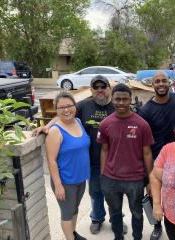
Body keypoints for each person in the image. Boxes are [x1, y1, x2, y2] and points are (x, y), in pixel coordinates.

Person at [34, 75, 128, 235]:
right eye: (96, 87)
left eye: (103, 87)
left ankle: (116, 219)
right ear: (91, 90)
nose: (99, 90)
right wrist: (47, 125)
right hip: (92, 162)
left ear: (108, 89)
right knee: (95, 193)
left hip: (113, 162)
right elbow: (63, 112)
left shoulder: (117, 107)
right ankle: (97, 219)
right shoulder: (83, 106)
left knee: (114, 194)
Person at [138, 70, 175, 240]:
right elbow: (143, 142)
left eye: (164, 81)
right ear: (152, 85)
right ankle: (157, 226)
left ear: (169, 83)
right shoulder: (146, 110)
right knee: (154, 194)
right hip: (157, 160)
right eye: (157, 81)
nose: (161, 84)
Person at [98, 83, 154, 240]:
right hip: (111, 179)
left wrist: (150, 180)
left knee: (137, 212)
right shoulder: (105, 124)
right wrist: (103, 175)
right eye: (117, 99)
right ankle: (118, 237)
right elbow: (104, 150)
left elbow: (147, 153)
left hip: (135, 180)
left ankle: (137, 237)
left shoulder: (142, 124)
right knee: (114, 212)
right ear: (112, 99)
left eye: (124, 99)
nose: (121, 103)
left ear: (130, 100)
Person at [45, 91, 90, 240]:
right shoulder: (55, 131)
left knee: (75, 209)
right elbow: (51, 160)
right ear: (56, 110)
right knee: (67, 213)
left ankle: (72, 233)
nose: (66, 110)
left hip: (80, 178)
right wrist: (58, 185)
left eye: (69, 105)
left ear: (75, 106)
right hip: (65, 181)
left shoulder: (77, 121)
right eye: (61, 107)